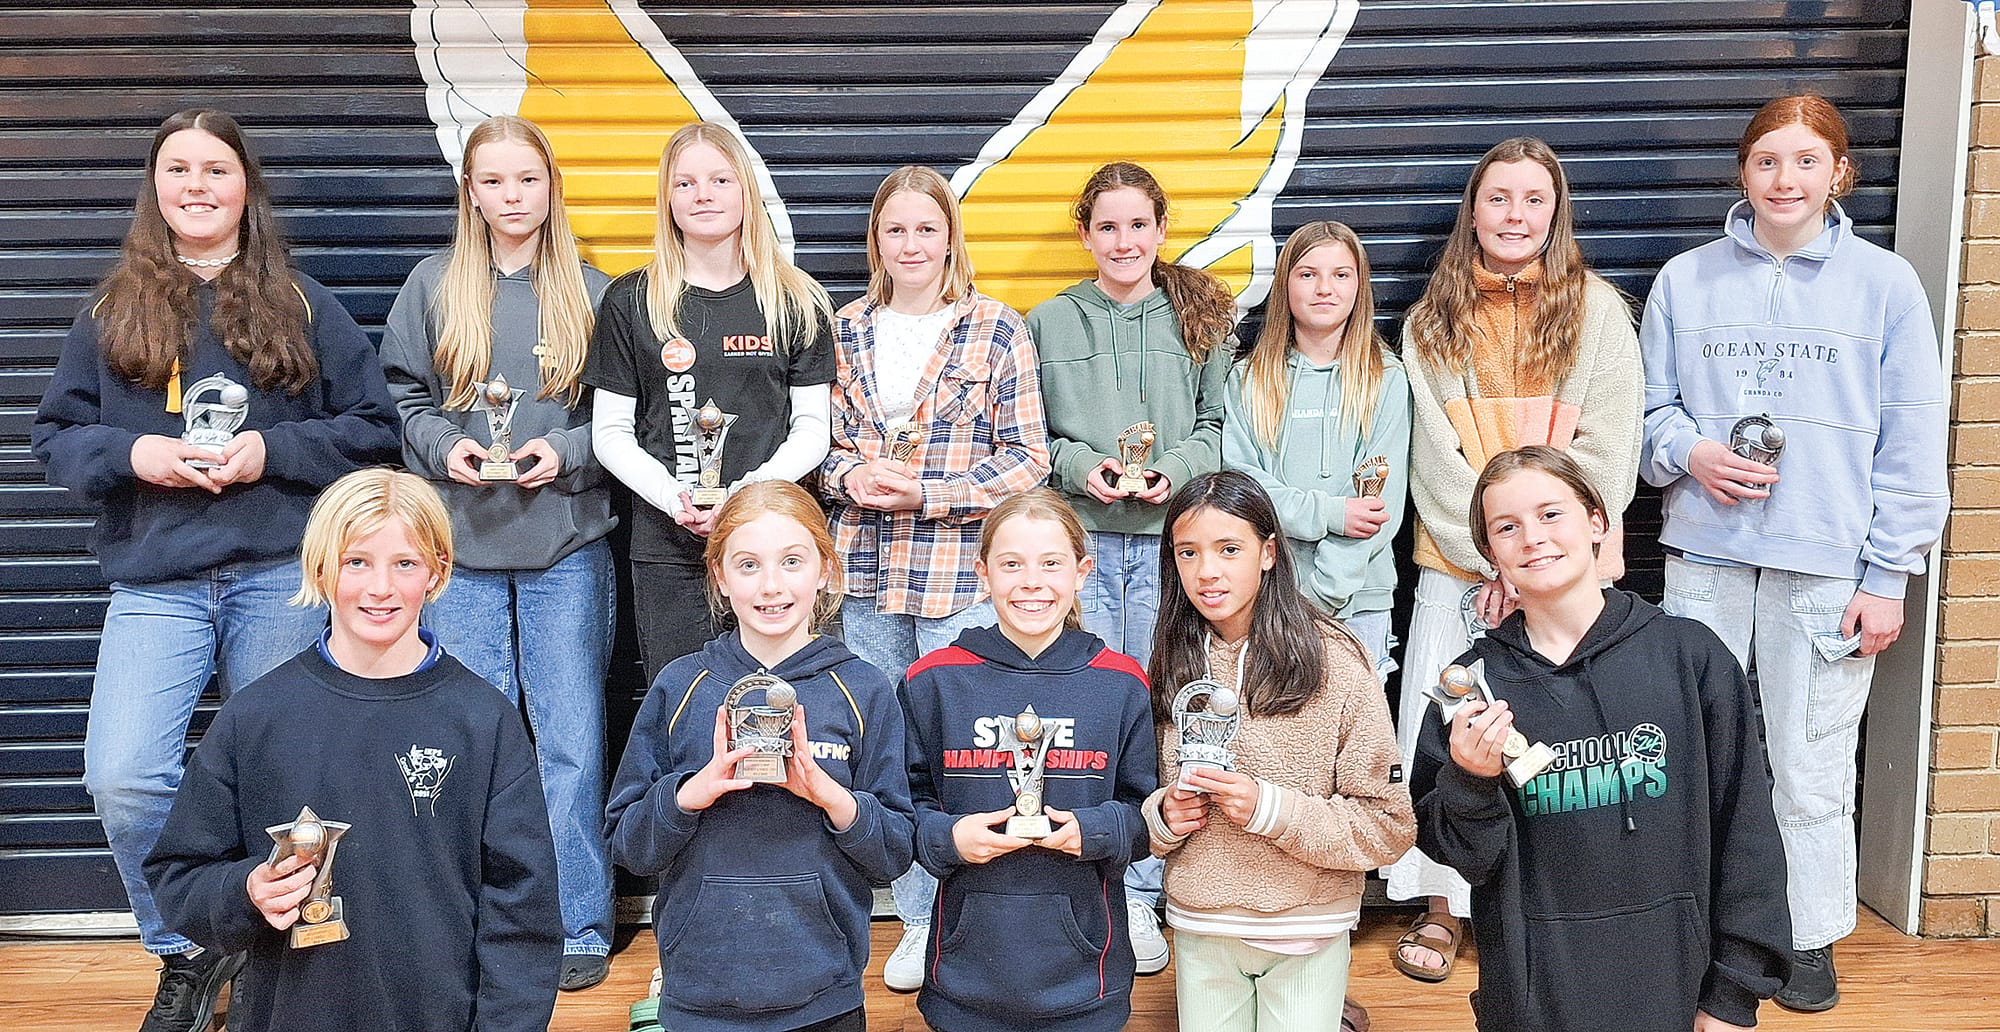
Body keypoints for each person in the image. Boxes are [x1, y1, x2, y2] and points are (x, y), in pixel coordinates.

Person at [30, 108, 400, 1032]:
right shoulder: (112, 311)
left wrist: (266, 454)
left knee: (287, 777)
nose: (197, 185)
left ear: (247, 189)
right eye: (179, 169)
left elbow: (373, 429)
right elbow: (55, 436)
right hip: (157, 583)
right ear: (156, 188)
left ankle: (292, 951)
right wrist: (135, 457)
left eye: (217, 170)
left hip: (278, 574)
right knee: (122, 774)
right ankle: (191, 948)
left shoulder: (304, 304)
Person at [1638, 93, 1948, 1012]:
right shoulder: (1685, 282)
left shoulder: (1887, 286)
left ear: (1839, 174)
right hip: (1707, 557)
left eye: (1807, 161)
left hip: (1828, 566)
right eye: (1769, 160)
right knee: (1695, 753)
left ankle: (1805, 937)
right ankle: (1698, 927)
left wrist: (1890, 574)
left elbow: (1913, 441)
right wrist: (1689, 453)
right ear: (1744, 172)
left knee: (1812, 764)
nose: (1786, 179)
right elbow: (1648, 417)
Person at [143, 468, 561, 1032]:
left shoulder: (485, 722)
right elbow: (179, 876)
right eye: (356, 561)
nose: (380, 587)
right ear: (319, 568)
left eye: (405, 563)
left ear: (437, 572)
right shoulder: (256, 717)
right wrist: (246, 892)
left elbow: (523, 911)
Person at [1410, 446, 1792, 1032]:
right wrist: (1469, 781)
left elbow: (1748, 832)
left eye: (1551, 514)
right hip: (1532, 1001)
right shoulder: (1472, 689)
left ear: (1597, 522)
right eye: (1507, 527)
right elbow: (1465, 858)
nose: (1532, 537)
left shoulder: (1691, 658)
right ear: (1491, 555)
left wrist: (1734, 992)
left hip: (1675, 989)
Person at [1389, 136, 1642, 982]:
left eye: (1534, 200)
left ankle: (1555, 896)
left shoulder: (1599, 310)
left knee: (1561, 744)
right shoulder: (1433, 320)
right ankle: (1436, 909)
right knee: (1446, 734)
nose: (1515, 216)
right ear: (1474, 212)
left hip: (1567, 576)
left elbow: (1612, 446)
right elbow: (1432, 457)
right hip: (1459, 569)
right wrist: (1495, 560)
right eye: (1498, 199)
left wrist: (1544, 561)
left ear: (1555, 213)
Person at [377, 113, 618, 990]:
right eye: (493, 181)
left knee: (570, 741)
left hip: (565, 547)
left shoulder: (592, 292)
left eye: (527, 179)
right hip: (461, 550)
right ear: (470, 193)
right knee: (467, 739)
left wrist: (570, 452)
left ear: (551, 188)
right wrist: (447, 450)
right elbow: (400, 399)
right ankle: (474, 916)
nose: (511, 196)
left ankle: (579, 920)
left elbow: (624, 423)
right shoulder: (434, 284)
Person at [818, 164, 1050, 989]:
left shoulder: (994, 329)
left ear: (951, 237)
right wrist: (853, 480)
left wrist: (934, 492)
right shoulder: (841, 329)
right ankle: (912, 916)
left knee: (962, 750)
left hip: (957, 576)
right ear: (875, 240)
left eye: (927, 228)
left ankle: (965, 918)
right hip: (867, 577)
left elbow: (1029, 460)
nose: (911, 244)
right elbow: (818, 448)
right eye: (895, 230)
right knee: (885, 750)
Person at [605, 480, 913, 1032]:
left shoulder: (862, 690)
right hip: (700, 996)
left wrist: (831, 797)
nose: (771, 585)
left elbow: (893, 855)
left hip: (826, 996)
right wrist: (691, 794)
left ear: (824, 569)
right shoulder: (681, 686)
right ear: (719, 577)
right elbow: (628, 845)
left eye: (791, 561)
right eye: (748, 565)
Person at [1028, 161, 1234, 974]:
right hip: (1079, 545)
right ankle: (1085, 880)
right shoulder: (1047, 321)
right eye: (1107, 226)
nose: (1123, 241)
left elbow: (1221, 425)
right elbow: (1031, 432)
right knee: (1088, 705)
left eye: (1138, 225)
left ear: (1160, 229)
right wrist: (1085, 467)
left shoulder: (1198, 316)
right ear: (1085, 234)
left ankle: (1145, 893)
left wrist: (1172, 469)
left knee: (1159, 706)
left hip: (1165, 545)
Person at [1144, 470, 1413, 1032]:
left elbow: (1389, 826)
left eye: (1229, 549)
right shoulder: (1171, 657)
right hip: (1201, 925)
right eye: (1187, 553)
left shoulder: (1335, 659)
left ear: (1268, 552)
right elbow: (1143, 806)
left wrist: (1271, 809)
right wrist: (1164, 818)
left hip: (1307, 929)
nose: (1206, 572)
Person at [585, 120, 836, 683]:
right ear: (667, 199)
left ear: (746, 191)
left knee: (786, 701)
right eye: (686, 183)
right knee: (684, 700)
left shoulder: (797, 298)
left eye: (720, 180)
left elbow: (813, 427)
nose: (703, 195)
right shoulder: (630, 300)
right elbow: (610, 433)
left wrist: (749, 497)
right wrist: (673, 497)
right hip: (670, 540)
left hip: (774, 542)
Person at [899, 488, 1154, 1032]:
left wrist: (1098, 831)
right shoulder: (934, 681)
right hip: (965, 978)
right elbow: (904, 809)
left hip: (1088, 981)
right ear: (983, 572)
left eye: (1051, 564)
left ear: (1083, 572)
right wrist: (948, 839)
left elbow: (1146, 815)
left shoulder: (1122, 682)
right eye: (1011, 564)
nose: (1032, 582)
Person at [1224, 220, 1411, 673]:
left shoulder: (1385, 379)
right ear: (1285, 284)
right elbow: (1248, 492)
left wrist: (1323, 594)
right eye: (1308, 274)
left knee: (1358, 740)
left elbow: (1378, 506)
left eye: (1341, 274)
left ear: (1359, 286)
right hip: (1267, 598)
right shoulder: (1249, 380)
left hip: (1359, 600)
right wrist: (1329, 514)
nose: (1324, 288)